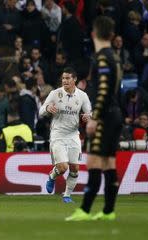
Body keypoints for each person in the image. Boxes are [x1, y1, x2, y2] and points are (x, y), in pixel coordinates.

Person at [66, 16, 123, 221]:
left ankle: (85, 210)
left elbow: (104, 90)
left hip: (106, 116)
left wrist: (95, 118)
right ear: (112, 34)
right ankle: (108, 211)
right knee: (109, 162)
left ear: (93, 34)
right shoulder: (115, 56)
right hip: (116, 114)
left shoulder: (102, 57)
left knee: (94, 161)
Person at [39, 67, 92, 203]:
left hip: (74, 135)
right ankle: (52, 176)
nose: (65, 81)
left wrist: (88, 117)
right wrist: (47, 108)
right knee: (63, 167)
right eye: (63, 78)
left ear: (74, 79)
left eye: (68, 78)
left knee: (74, 168)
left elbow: (90, 113)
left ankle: (67, 195)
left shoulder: (82, 96)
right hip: (58, 134)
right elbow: (40, 111)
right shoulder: (55, 94)